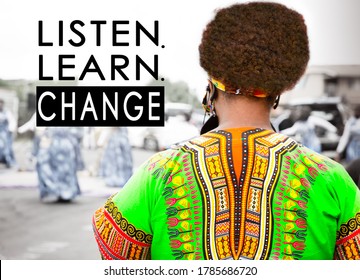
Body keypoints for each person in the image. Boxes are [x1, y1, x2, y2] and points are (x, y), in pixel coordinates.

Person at [92, 2, 360, 260]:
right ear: (278, 91)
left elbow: (119, 257)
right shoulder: (332, 179)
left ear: (211, 88)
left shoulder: (158, 172)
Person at [0, 99, 16, 168]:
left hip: (5, 133)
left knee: (6, 148)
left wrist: (10, 130)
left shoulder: (6, 112)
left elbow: (12, 122)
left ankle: (8, 162)